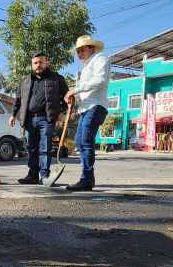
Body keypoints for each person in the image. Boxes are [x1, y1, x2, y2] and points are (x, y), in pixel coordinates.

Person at [10, 52, 69, 184]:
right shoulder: (25, 80)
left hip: (46, 118)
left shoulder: (56, 78)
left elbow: (66, 96)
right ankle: (32, 175)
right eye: (35, 63)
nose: (38, 65)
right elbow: (18, 100)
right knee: (31, 148)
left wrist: (62, 112)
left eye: (41, 62)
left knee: (44, 147)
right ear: (32, 65)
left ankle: (44, 176)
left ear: (46, 62)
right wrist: (13, 115)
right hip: (29, 119)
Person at [63, 35, 109, 191]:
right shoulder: (84, 68)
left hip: (96, 106)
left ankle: (86, 179)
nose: (79, 53)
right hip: (85, 108)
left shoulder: (100, 59)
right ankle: (88, 178)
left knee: (85, 141)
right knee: (79, 142)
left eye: (82, 49)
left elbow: (100, 81)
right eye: (77, 51)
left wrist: (74, 90)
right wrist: (73, 97)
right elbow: (83, 91)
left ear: (92, 48)